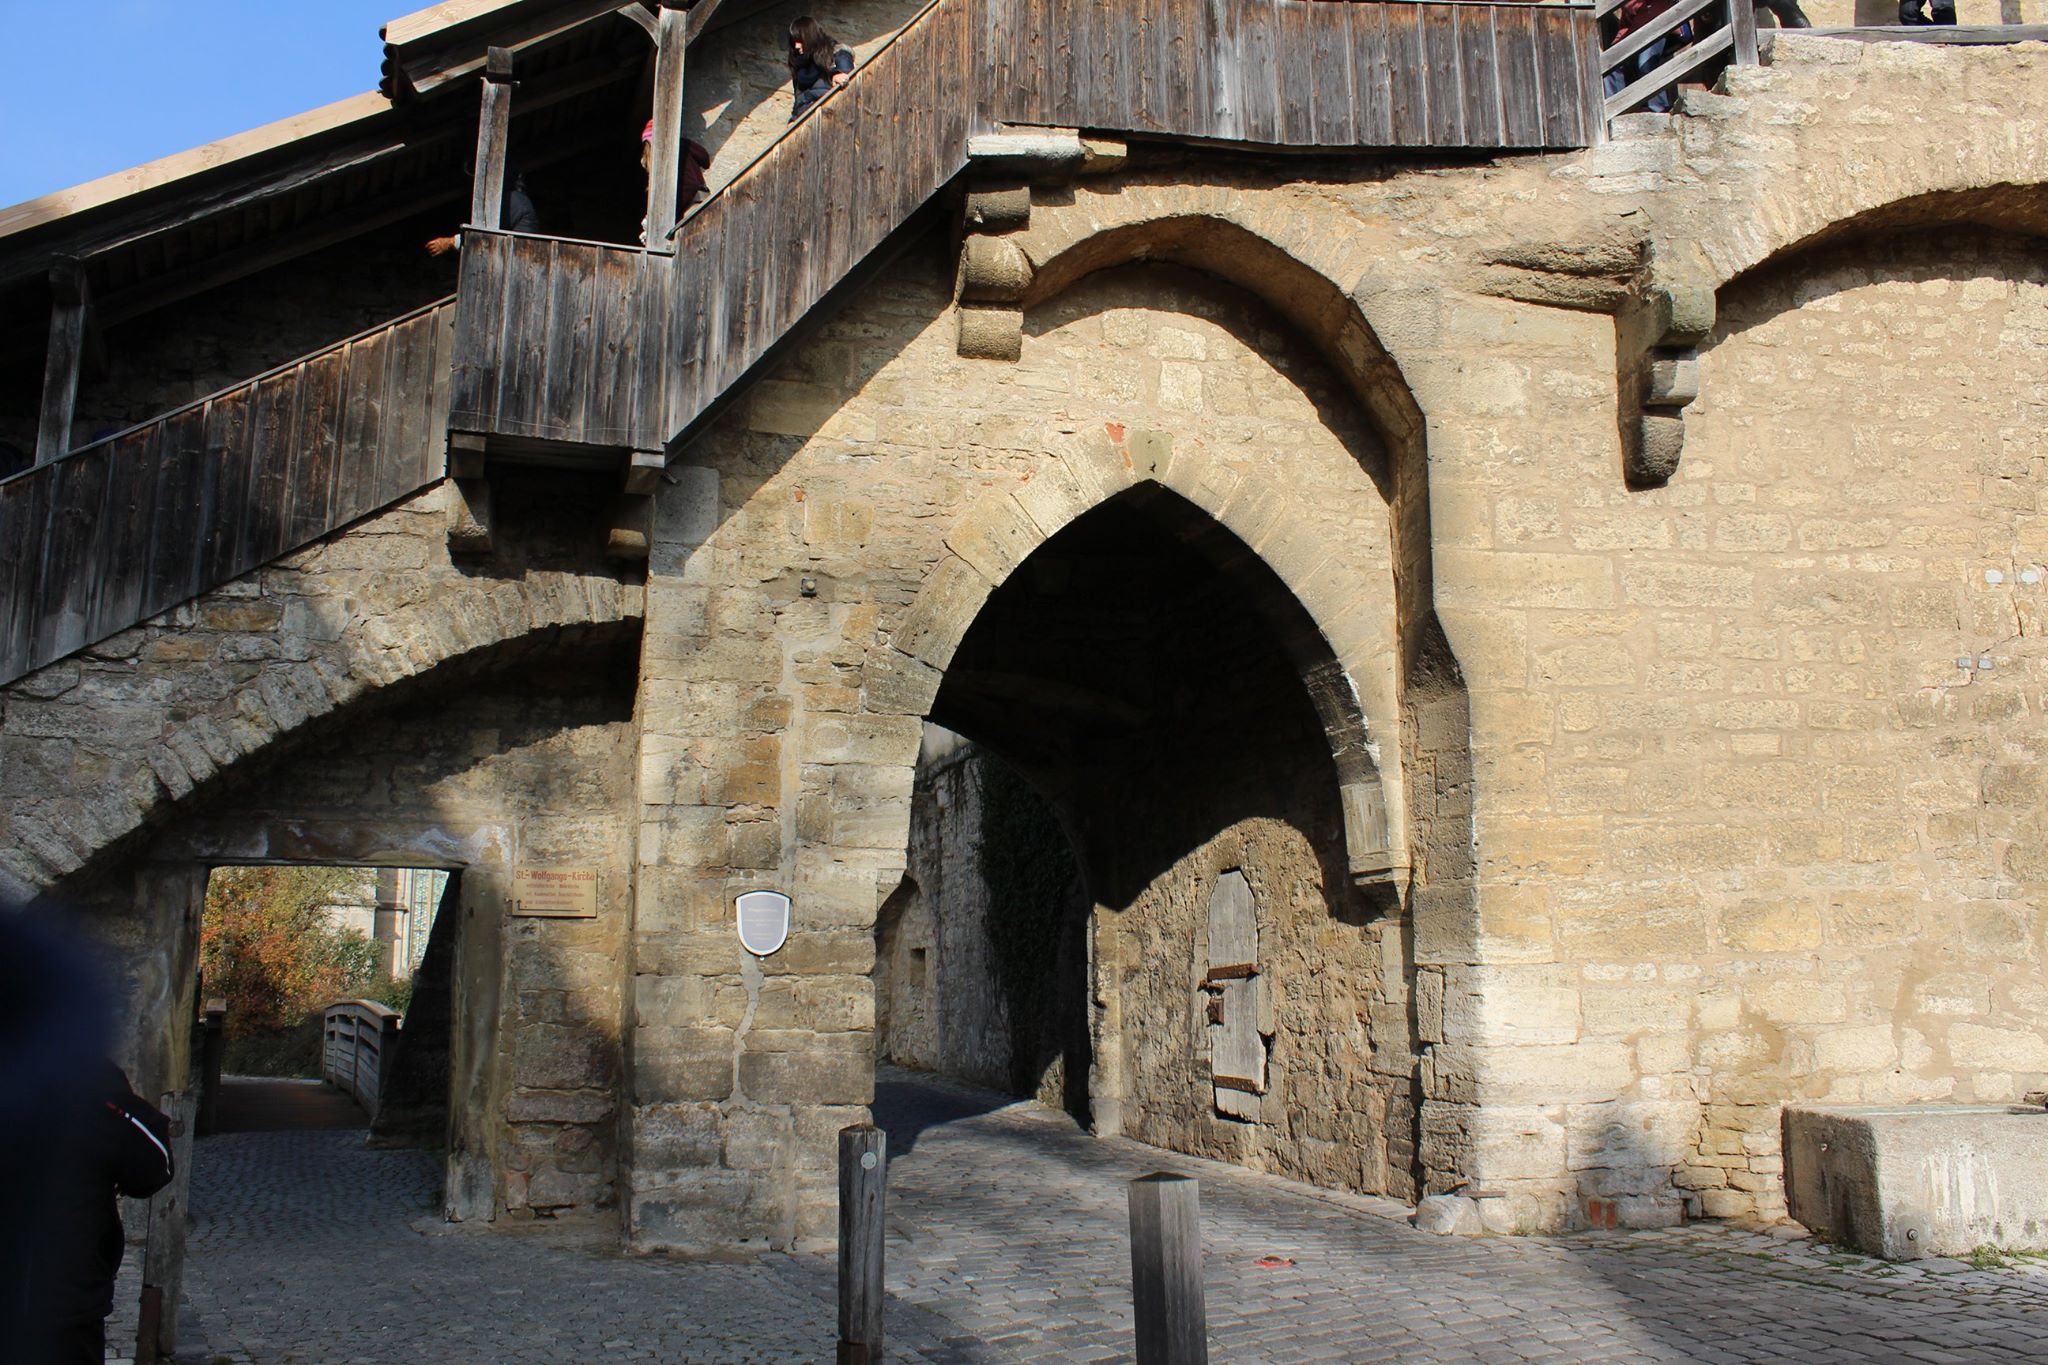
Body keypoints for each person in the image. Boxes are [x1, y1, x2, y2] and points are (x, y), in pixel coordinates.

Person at [425, 167, 540, 256]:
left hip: (513, 259)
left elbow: (487, 235)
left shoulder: (514, 200)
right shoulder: (515, 199)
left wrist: (451, 242)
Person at [638, 119, 713, 245]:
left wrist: (661, 218)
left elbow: (690, 186)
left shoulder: (674, 153)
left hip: (692, 209)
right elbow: (704, 159)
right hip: (698, 204)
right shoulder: (682, 147)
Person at [787, 17, 853, 122]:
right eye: (794, 42)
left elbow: (850, 84)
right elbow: (799, 102)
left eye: (800, 40)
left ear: (810, 38)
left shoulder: (837, 54)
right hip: (806, 125)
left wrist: (838, 74)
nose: (796, 46)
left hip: (830, 119)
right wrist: (793, 120)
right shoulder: (799, 68)